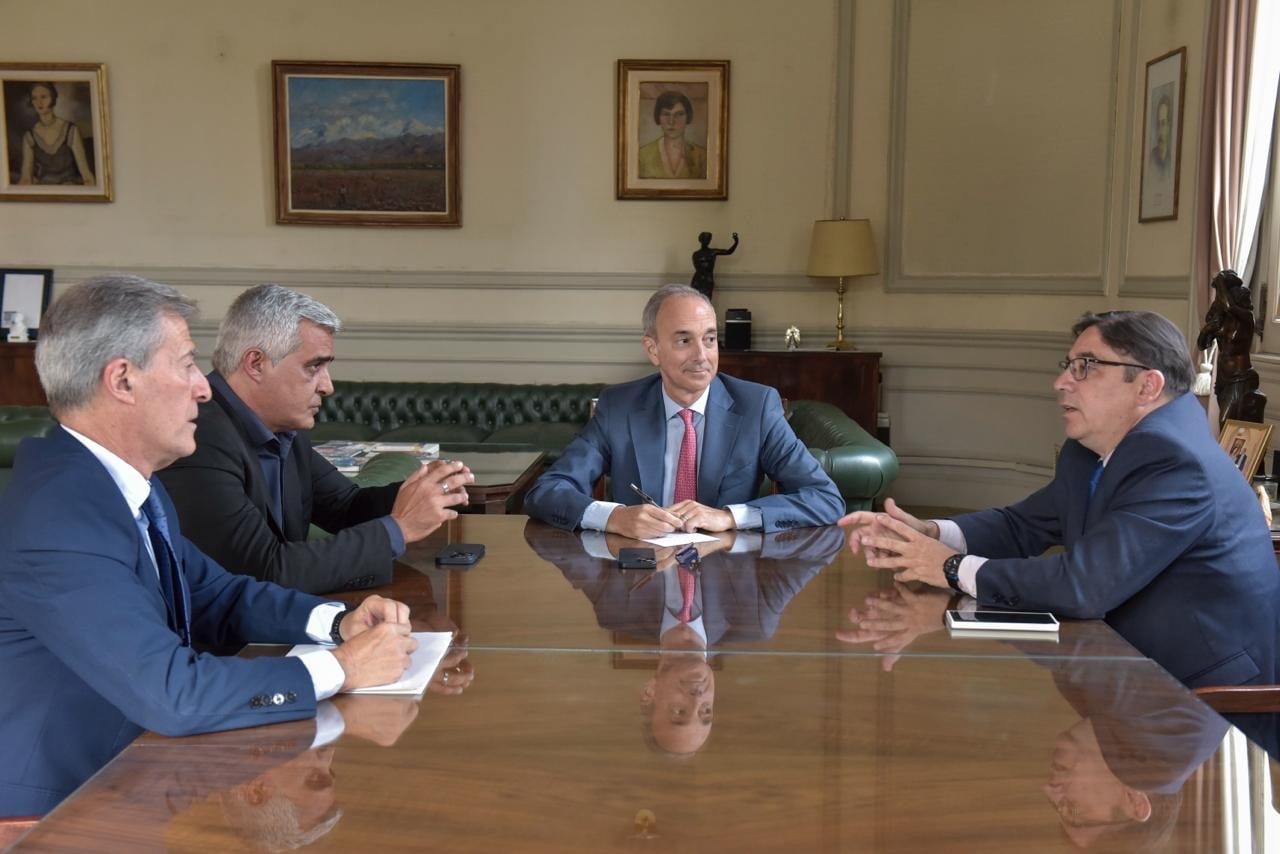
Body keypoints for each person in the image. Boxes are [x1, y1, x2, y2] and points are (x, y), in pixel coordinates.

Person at [0, 275, 418, 817]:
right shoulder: (59, 517)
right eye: (187, 363)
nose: (204, 387)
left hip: (132, 777)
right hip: (57, 815)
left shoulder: (122, 484)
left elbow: (218, 595)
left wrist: (336, 622)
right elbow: (172, 694)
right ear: (123, 381)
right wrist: (342, 668)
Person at [839, 310, 1279, 689]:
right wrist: (930, 532)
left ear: (1147, 386)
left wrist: (948, 566)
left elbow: (1085, 586)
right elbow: (1023, 526)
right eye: (1067, 364)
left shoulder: (1176, 463)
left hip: (1205, 700)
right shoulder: (1091, 451)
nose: (1060, 382)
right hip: (1123, 668)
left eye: (1085, 366)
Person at [157, 284, 473, 595]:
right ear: (256, 364)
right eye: (314, 366)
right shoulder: (198, 438)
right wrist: (400, 528)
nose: (327, 387)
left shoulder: (284, 430)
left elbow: (347, 508)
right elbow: (264, 572)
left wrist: (420, 490)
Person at [524, 284, 844, 537]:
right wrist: (614, 517)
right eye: (683, 341)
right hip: (638, 582)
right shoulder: (619, 407)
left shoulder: (756, 407)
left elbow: (825, 498)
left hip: (728, 583)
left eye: (709, 339)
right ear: (653, 350)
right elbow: (547, 491)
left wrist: (729, 517)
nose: (701, 355)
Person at [17, 81, 95, 185]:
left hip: (69, 191)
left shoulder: (70, 130)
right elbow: (26, 178)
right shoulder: (29, 136)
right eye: (35, 98)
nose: (39, 102)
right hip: (44, 193)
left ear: (52, 98)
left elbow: (86, 175)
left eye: (43, 97)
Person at [637, 90, 707, 179]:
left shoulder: (701, 155)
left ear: (688, 117)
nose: (671, 122)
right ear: (658, 117)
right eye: (666, 114)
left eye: (679, 114)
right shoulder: (643, 155)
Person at [689, 231, 739, 300]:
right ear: (700, 240)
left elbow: (728, 252)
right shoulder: (696, 254)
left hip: (708, 280)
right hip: (697, 280)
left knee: (707, 301)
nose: (706, 241)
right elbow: (697, 268)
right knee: (696, 301)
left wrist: (736, 242)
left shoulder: (713, 252)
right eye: (705, 239)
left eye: (708, 239)